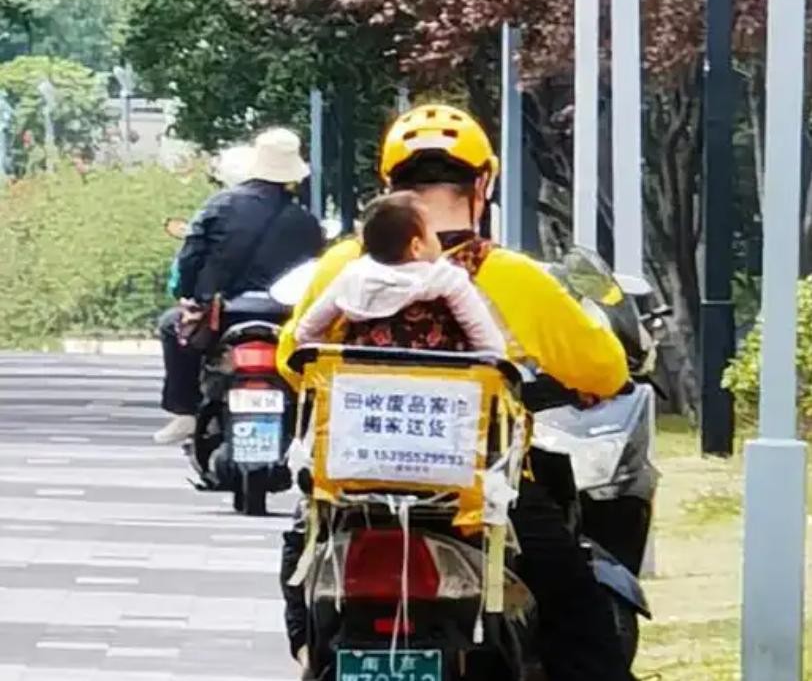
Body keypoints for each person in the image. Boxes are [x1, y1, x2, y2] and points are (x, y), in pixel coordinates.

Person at [276, 104, 636, 681]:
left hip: (352, 489)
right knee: (577, 610)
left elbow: (292, 359)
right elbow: (605, 370)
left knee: (301, 554)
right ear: (483, 184)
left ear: (387, 186)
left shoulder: (342, 267)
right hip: (483, 498)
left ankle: (307, 654)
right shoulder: (513, 276)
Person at [154, 128, 324, 445]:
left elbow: (191, 255)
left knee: (170, 326)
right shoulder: (306, 221)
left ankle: (185, 412)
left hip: (223, 314)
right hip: (286, 318)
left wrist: (189, 295)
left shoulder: (220, 205)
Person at [295, 191, 506, 355]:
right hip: (440, 388)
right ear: (416, 247)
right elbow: (489, 345)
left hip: (362, 388)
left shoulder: (353, 276)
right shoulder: (447, 278)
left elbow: (306, 332)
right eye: (432, 231)